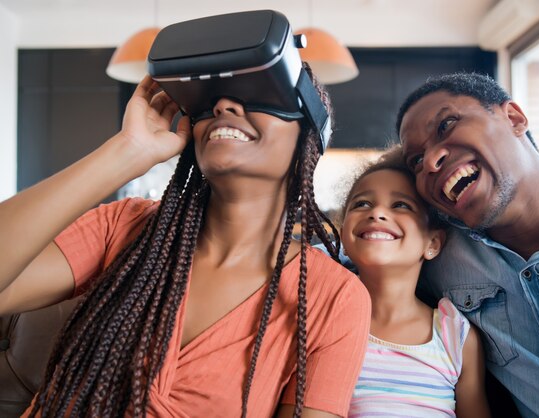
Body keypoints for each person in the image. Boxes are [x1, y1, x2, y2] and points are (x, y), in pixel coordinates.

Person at [0, 60, 371, 417]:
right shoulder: (126, 224)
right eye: (210, 100)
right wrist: (128, 150)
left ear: (309, 135)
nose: (223, 105)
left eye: (259, 93)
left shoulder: (333, 297)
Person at [395, 72, 539, 418]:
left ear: (514, 118)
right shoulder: (436, 255)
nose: (430, 161)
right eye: (416, 161)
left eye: (446, 125)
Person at [338, 147, 490, 418]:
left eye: (400, 205)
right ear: (344, 239)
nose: (377, 214)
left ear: (432, 243)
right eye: (362, 204)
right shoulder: (323, 320)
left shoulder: (454, 334)